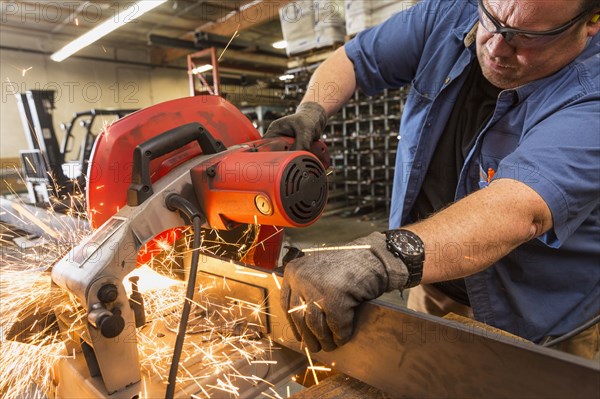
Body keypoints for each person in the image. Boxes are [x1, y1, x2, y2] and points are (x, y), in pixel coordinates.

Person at [264, 0, 600, 359]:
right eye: (491, 20)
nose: (497, 47)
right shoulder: (445, 15)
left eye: (525, 37)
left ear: (590, 24)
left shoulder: (591, 92)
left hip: (541, 323)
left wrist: (378, 258)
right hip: (429, 281)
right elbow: (353, 61)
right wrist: (312, 109)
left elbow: (519, 209)